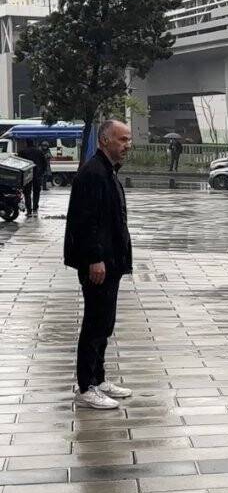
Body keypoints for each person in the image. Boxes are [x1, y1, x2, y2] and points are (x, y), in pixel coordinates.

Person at [64, 120, 134, 410]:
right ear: (105, 141)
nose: (127, 145)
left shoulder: (108, 172)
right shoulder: (93, 174)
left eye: (129, 140)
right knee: (94, 323)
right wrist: (95, 258)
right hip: (99, 263)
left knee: (105, 322)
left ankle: (99, 378)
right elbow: (87, 222)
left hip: (111, 261)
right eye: (122, 139)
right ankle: (86, 386)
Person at [17, 139, 46, 217]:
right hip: (37, 175)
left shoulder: (22, 152)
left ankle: (29, 211)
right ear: (33, 143)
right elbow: (44, 163)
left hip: (27, 175)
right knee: (36, 192)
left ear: (26, 143)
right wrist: (41, 173)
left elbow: (19, 164)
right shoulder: (39, 152)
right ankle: (35, 209)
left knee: (27, 193)